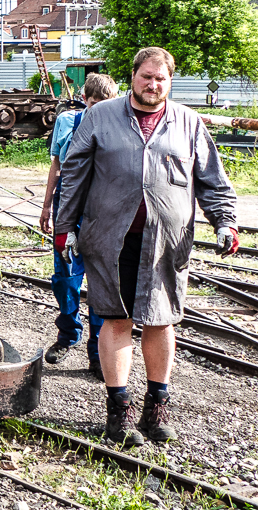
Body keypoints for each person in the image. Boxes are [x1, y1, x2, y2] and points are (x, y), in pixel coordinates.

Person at [55, 47, 239, 447]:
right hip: (109, 238)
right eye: (146, 77)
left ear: (169, 82)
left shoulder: (188, 122)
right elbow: (74, 174)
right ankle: (118, 412)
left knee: (161, 320)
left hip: (167, 241)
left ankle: (156, 407)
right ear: (133, 75)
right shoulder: (100, 117)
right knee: (115, 319)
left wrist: (225, 220)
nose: (153, 85)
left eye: (161, 79)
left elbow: (211, 179)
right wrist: (64, 226)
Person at [39, 73, 119, 379]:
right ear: (85, 99)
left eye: (106, 104)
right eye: (95, 103)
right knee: (65, 279)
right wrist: (47, 207)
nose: (99, 109)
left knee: (102, 284)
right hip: (68, 211)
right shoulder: (66, 122)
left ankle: (98, 349)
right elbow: (56, 168)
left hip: (103, 215)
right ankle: (67, 335)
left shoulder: (119, 127)